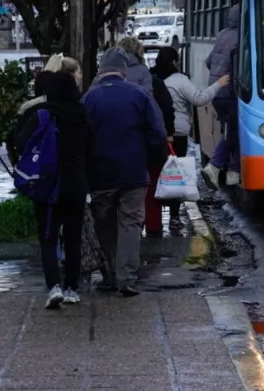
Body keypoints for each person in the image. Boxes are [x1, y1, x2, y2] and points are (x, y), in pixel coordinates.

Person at [82, 47, 167, 296]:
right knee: (131, 223)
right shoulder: (138, 94)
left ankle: (109, 274)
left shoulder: (89, 98)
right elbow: (158, 134)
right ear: (124, 71)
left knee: (105, 223)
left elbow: (80, 136)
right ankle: (127, 278)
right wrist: (147, 156)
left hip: (100, 173)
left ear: (101, 71)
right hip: (133, 171)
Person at [10, 71, 95, 310]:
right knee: (73, 237)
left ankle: (54, 286)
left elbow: (19, 143)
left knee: (48, 238)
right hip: (76, 184)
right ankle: (71, 289)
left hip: (47, 185)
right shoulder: (81, 114)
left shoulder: (40, 114)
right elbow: (92, 147)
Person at [153, 46, 229, 224]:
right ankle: (173, 214)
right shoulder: (179, 80)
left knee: (157, 172)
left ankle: (154, 215)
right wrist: (218, 84)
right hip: (177, 133)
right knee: (174, 174)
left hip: (156, 132)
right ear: (173, 61)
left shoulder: (153, 78)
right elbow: (200, 99)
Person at [201, 4, 241, 189]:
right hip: (230, 92)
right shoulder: (243, 36)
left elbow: (209, 62)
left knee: (232, 129)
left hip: (217, 91)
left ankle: (233, 172)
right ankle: (215, 166)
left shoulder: (222, 34)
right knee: (233, 131)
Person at [145, 59, 177, 236]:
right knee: (153, 187)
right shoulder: (154, 82)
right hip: (154, 146)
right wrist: (168, 134)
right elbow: (167, 110)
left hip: (124, 149)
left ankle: (134, 229)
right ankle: (154, 227)